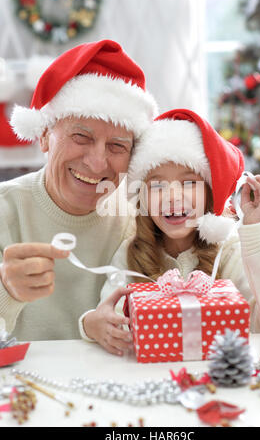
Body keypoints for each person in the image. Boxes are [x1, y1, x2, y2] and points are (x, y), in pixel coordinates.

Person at [79, 108, 260, 356]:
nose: (173, 196)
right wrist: (90, 324)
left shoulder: (229, 250)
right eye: (157, 185)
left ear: (208, 193)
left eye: (189, 182)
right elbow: (111, 320)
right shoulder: (131, 253)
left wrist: (258, 227)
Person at [0, 39, 158, 341]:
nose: (98, 164)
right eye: (81, 137)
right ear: (45, 136)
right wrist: (5, 291)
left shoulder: (141, 227)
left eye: (116, 146)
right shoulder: (4, 210)